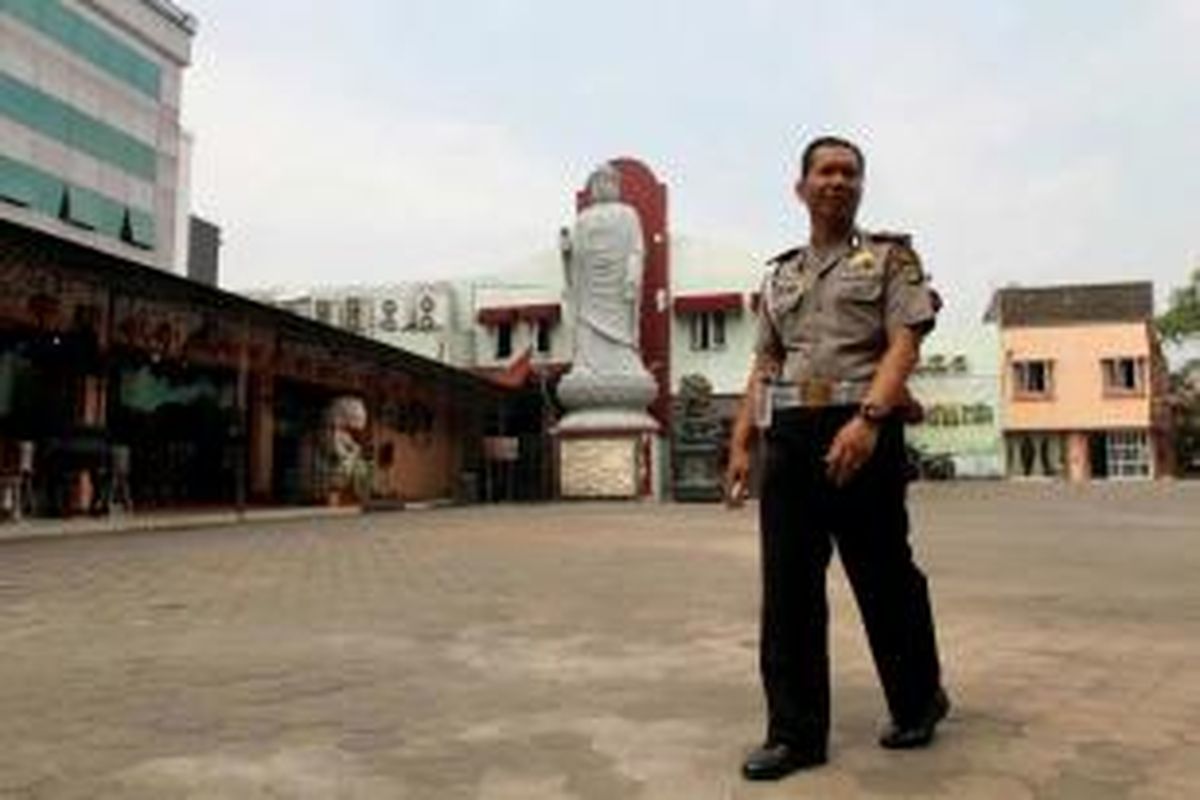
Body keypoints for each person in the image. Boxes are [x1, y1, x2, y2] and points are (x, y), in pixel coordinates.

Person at [726, 135, 949, 781]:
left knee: (883, 576)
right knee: (788, 588)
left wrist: (871, 419)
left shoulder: (890, 260)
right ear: (801, 187)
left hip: (863, 429)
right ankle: (795, 735)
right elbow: (766, 363)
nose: (837, 181)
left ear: (860, 187)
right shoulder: (780, 275)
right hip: (792, 434)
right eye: (825, 171)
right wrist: (743, 441)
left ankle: (918, 700)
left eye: (850, 173)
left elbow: (905, 343)